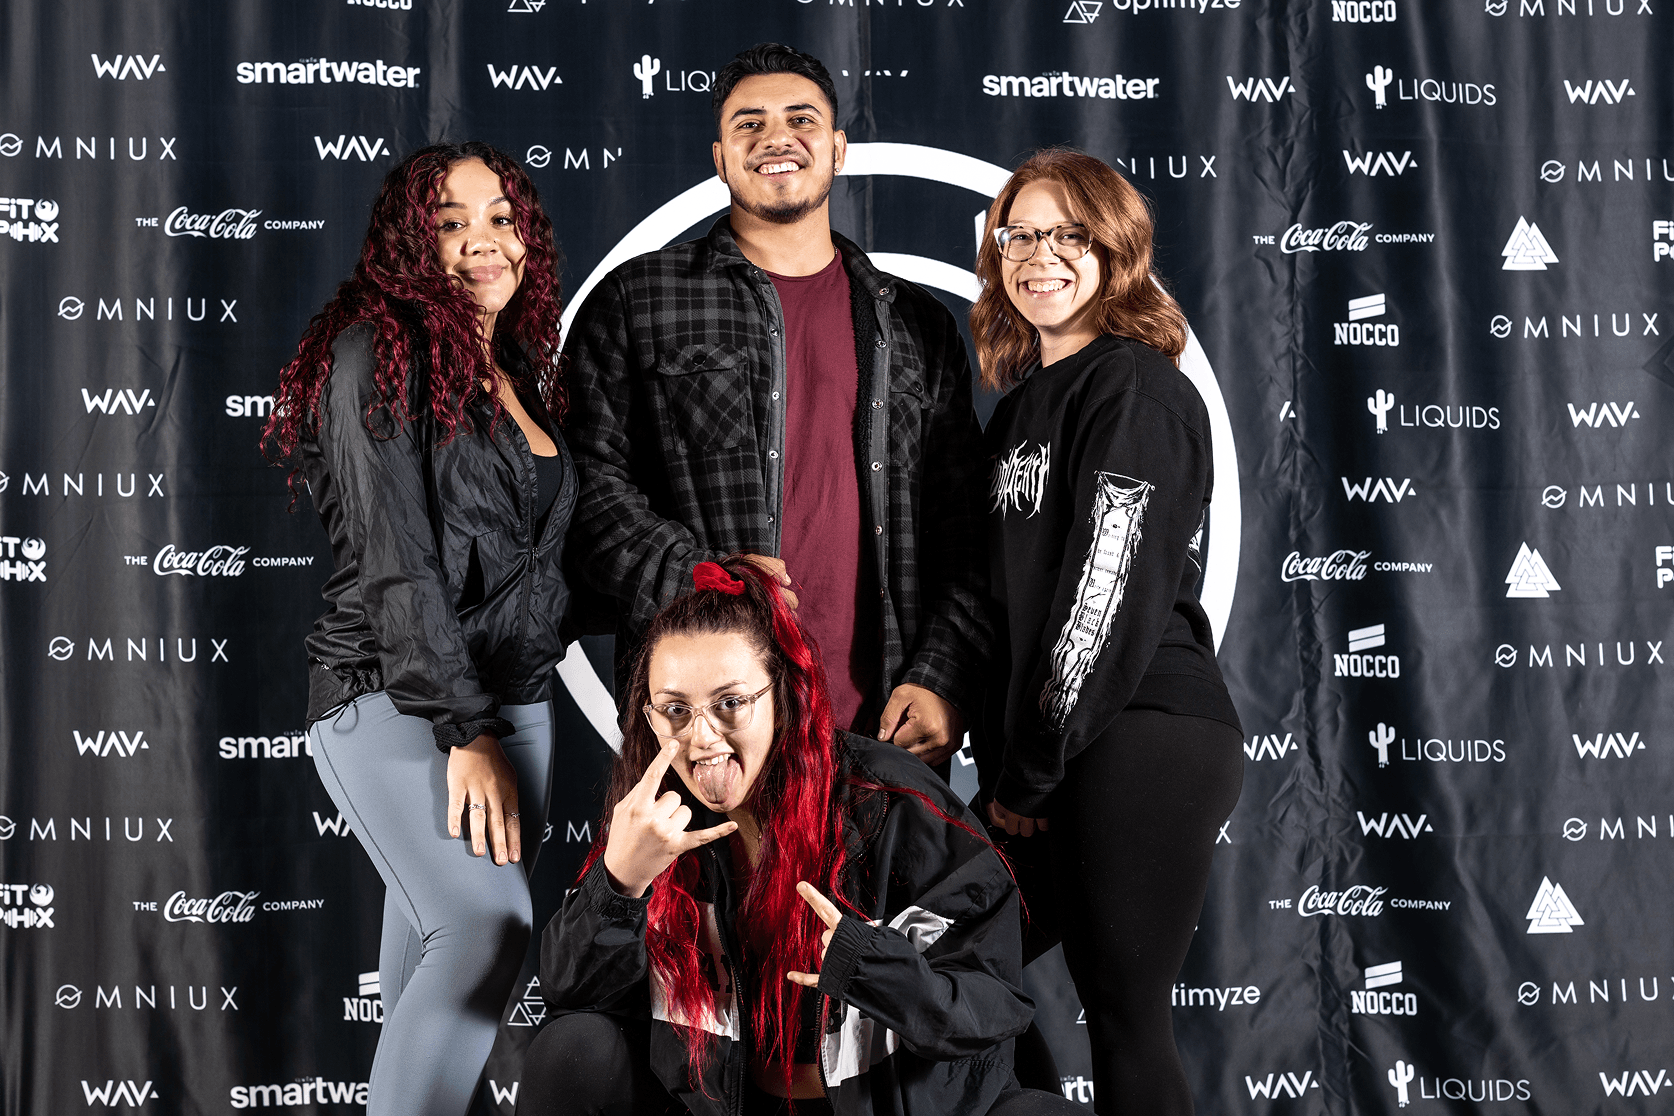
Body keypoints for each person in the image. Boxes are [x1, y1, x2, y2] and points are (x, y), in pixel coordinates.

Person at [517, 557, 1081, 1116]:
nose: (700, 735)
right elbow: (571, 992)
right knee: (572, 1052)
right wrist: (618, 885)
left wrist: (875, 968)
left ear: (783, 697)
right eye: (675, 710)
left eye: (730, 703)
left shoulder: (894, 808)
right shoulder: (653, 817)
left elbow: (993, 1011)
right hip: (732, 1107)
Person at [562, 42, 988, 766]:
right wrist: (706, 579)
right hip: (705, 733)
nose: (776, 137)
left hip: (885, 728)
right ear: (721, 158)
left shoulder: (918, 324)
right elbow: (585, 490)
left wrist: (943, 676)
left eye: (801, 119)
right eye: (748, 124)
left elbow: (965, 529)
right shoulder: (639, 299)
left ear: (838, 149)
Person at [263, 142, 572, 1116]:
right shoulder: (375, 354)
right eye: (450, 222)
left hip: (514, 705)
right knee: (485, 932)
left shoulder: (521, 368)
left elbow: (539, 565)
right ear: (408, 240)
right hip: (399, 701)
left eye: (499, 217)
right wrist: (464, 731)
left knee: (428, 982)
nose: (483, 241)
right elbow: (399, 565)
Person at [969, 149, 1244, 1116]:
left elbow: (1107, 592)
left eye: (1068, 235)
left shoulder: (1133, 387)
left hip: (1142, 731)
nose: (1039, 255)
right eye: (1021, 235)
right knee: (956, 966)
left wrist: (1028, 771)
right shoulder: (1015, 413)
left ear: (1116, 251)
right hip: (1050, 750)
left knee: (1124, 1015)